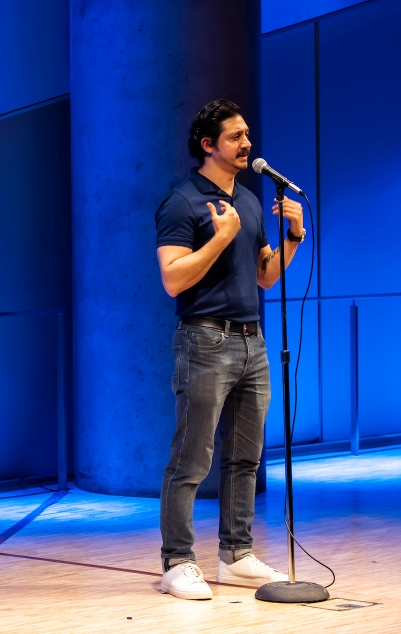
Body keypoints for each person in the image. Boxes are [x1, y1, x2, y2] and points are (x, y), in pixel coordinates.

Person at [153, 99, 305, 600]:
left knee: (245, 458)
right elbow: (172, 279)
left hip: (251, 341)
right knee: (191, 458)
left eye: (247, 135)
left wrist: (293, 237)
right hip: (204, 339)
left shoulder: (251, 201)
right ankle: (177, 562)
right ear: (208, 145)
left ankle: (236, 554)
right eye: (235, 137)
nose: (247, 144)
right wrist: (219, 239)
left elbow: (265, 276)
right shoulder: (182, 201)